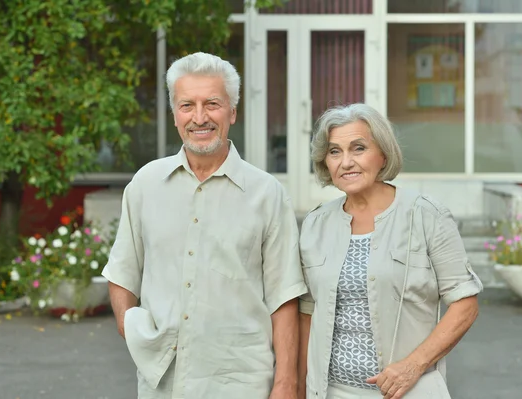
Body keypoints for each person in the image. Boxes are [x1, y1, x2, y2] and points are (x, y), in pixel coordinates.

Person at [102, 52, 307, 399]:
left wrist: (286, 383)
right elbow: (122, 272)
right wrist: (134, 331)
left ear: (232, 111)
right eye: (187, 105)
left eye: (212, 103)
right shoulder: (145, 184)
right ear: (175, 114)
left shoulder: (267, 194)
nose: (199, 117)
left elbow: (284, 297)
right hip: (161, 383)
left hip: (242, 383)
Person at [297, 103, 483, 399]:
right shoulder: (315, 224)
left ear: (382, 154)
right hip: (330, 393)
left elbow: (465, 304)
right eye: (335, 151)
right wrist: (298, 386)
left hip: (408, 390)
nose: (346, 162)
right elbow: (307, 312)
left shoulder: (426, 215)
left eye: (358, 148)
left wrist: (414, 365)